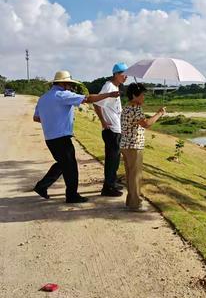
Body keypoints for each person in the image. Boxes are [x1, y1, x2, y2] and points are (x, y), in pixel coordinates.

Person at [33, 70, 120, 203]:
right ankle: (71, 195)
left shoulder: (43, 97)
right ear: (62, 83)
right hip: (61, 137)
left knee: (62, 164)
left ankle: (42, 186)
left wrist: (52, 120)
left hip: (49, 137)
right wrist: (109, 94)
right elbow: (88, 99)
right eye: (68, 83)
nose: (70, 86)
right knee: (71, 167)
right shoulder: (63, 95)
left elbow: (37, 118)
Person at [120, 83, 166, 211]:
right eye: (142, 95)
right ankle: (135, 204)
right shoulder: (135, 108)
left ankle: (131, 201)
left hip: (126, 145)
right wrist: (159, 114)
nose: (143, 98)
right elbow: (146, 124)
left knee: (130, 174)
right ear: (135, 95)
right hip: (134, 146)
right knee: (135, 175)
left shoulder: (128, 107)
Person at [93, 62, 128, 197]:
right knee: (112, 160)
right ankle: (108, 187)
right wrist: (103, 121)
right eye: (123, 74)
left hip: (116, 128)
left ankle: (111, 183)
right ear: (116, 74)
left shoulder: (115, 87)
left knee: (115, 159)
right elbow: (97, 103)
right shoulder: (109, 86)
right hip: (111, 129)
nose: (126, 77)